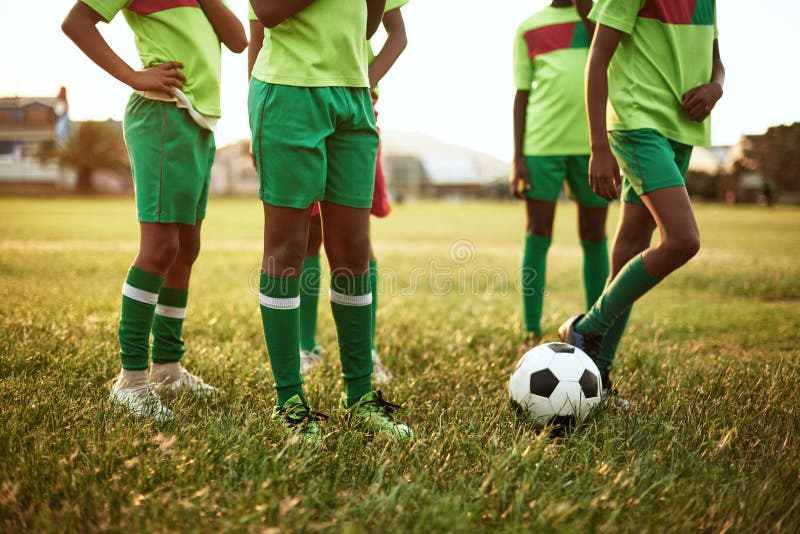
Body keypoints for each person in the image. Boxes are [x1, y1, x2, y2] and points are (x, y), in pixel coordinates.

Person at [62, 0, 247, 421]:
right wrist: (132, 75)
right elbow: (76, 22)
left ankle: (167, 369)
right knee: (160, 247)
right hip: (161, 114)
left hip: (198, 124)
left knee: (186, 249)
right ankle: (131, 379)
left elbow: (238, 40)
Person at [249, 0, 412, 442]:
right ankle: (289, 402)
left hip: (353, 95)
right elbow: (265, 12)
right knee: (286, 250)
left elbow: (369, 25)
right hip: (288, 91)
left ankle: (359, 397)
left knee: (354, 253)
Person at [559, 0, 725, 405]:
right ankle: (585, 327)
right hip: (637, 123)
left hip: (681, 130)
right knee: (682, 240)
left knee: (631, 249)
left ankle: (597, 375)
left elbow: (716, 58)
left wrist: (716, 86)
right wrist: (598, 146)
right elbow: (598, 58)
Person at [290, 0, 409, 383]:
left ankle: (365, 349)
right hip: (301, 101)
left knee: (357, 240)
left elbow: (397, 34)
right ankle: (306, 346)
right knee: (309, 235)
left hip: (356, 107)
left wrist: (364, 82)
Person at [510, 0, 609, 354]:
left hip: (594, 148)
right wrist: (518, 156)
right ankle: (531, 332)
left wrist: (589, 9)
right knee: (538, 233)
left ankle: (599, 329)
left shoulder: (603, 17)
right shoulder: (529, 26)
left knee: (595, 234)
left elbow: (611, 64)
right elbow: (521, 95)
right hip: (541, 147)